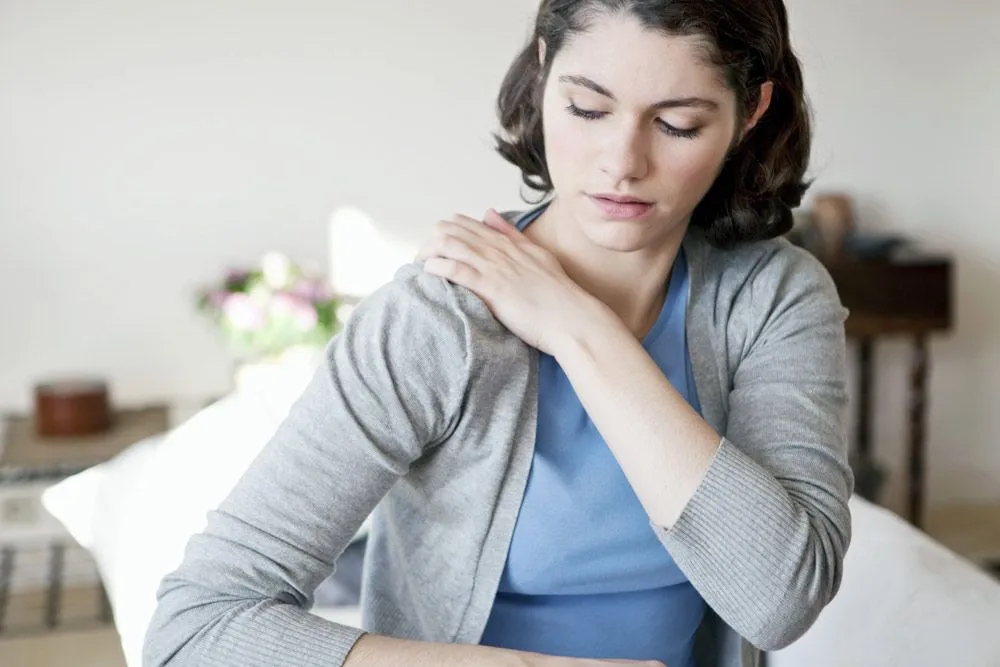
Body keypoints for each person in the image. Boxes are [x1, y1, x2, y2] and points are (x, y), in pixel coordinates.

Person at [143, 1, 853, 666]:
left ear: (750, 110)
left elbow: (781, 599)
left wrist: (576, 327)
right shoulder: (437, 321)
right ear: (544, 71)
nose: (622, 162)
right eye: (587, 107)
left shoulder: (773, 298)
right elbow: (197, 628)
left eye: (677, 124)